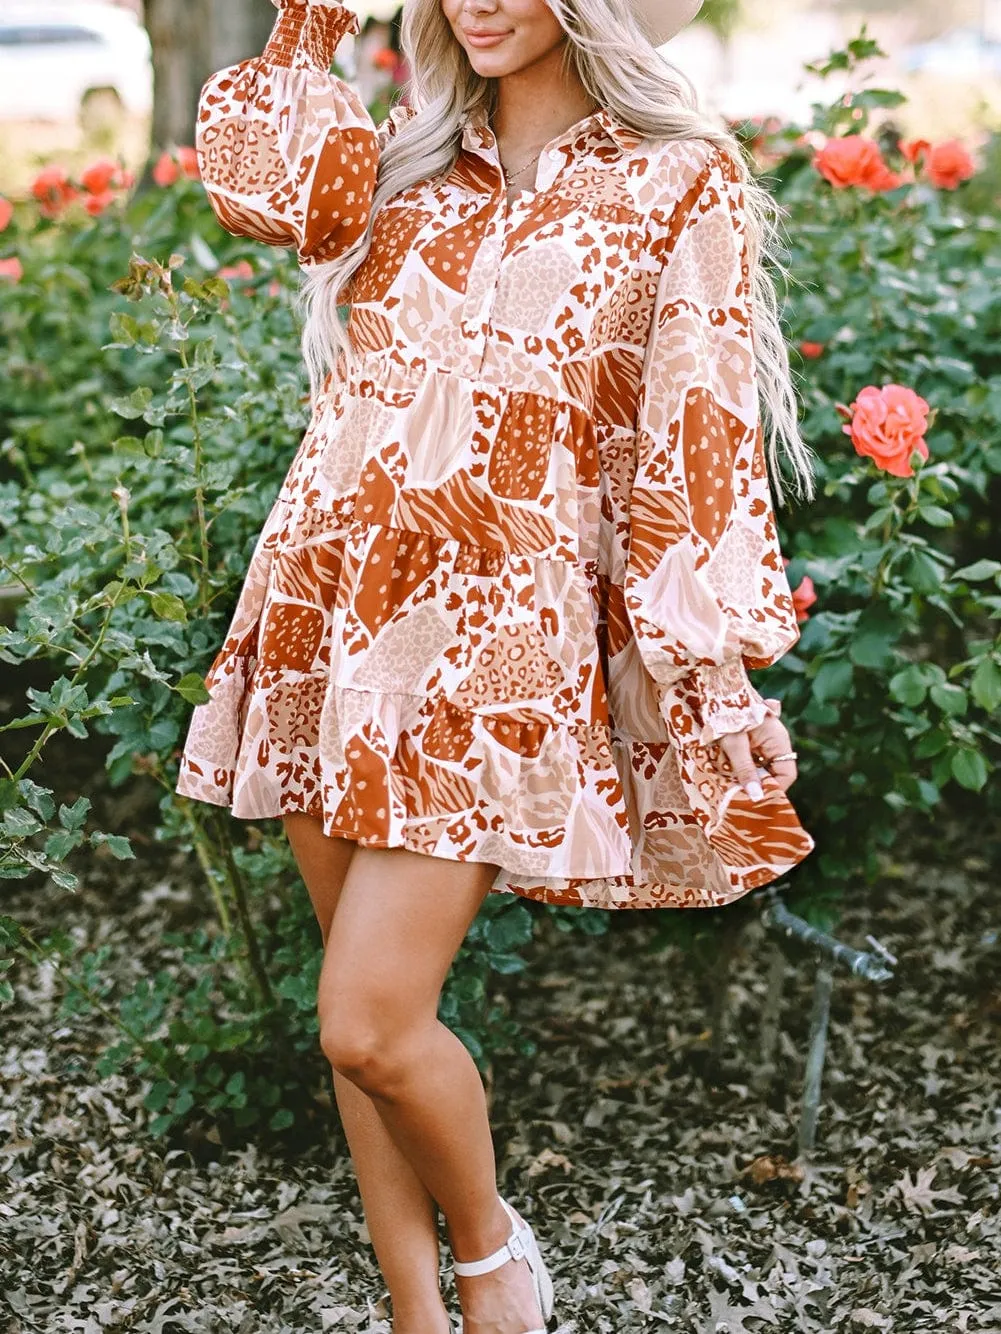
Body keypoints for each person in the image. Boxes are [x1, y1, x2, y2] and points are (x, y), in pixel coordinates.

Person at [176, 0, 818, 1328]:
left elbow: (689, 441)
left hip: (492, 653)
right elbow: (256, 187)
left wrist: (715, 675)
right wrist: (306, 26)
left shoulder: (674, 180)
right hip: (331, 612)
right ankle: (420, 1309)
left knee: (369, 1017)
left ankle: (491, 1260)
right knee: (347, 1014)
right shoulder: (397, 161)